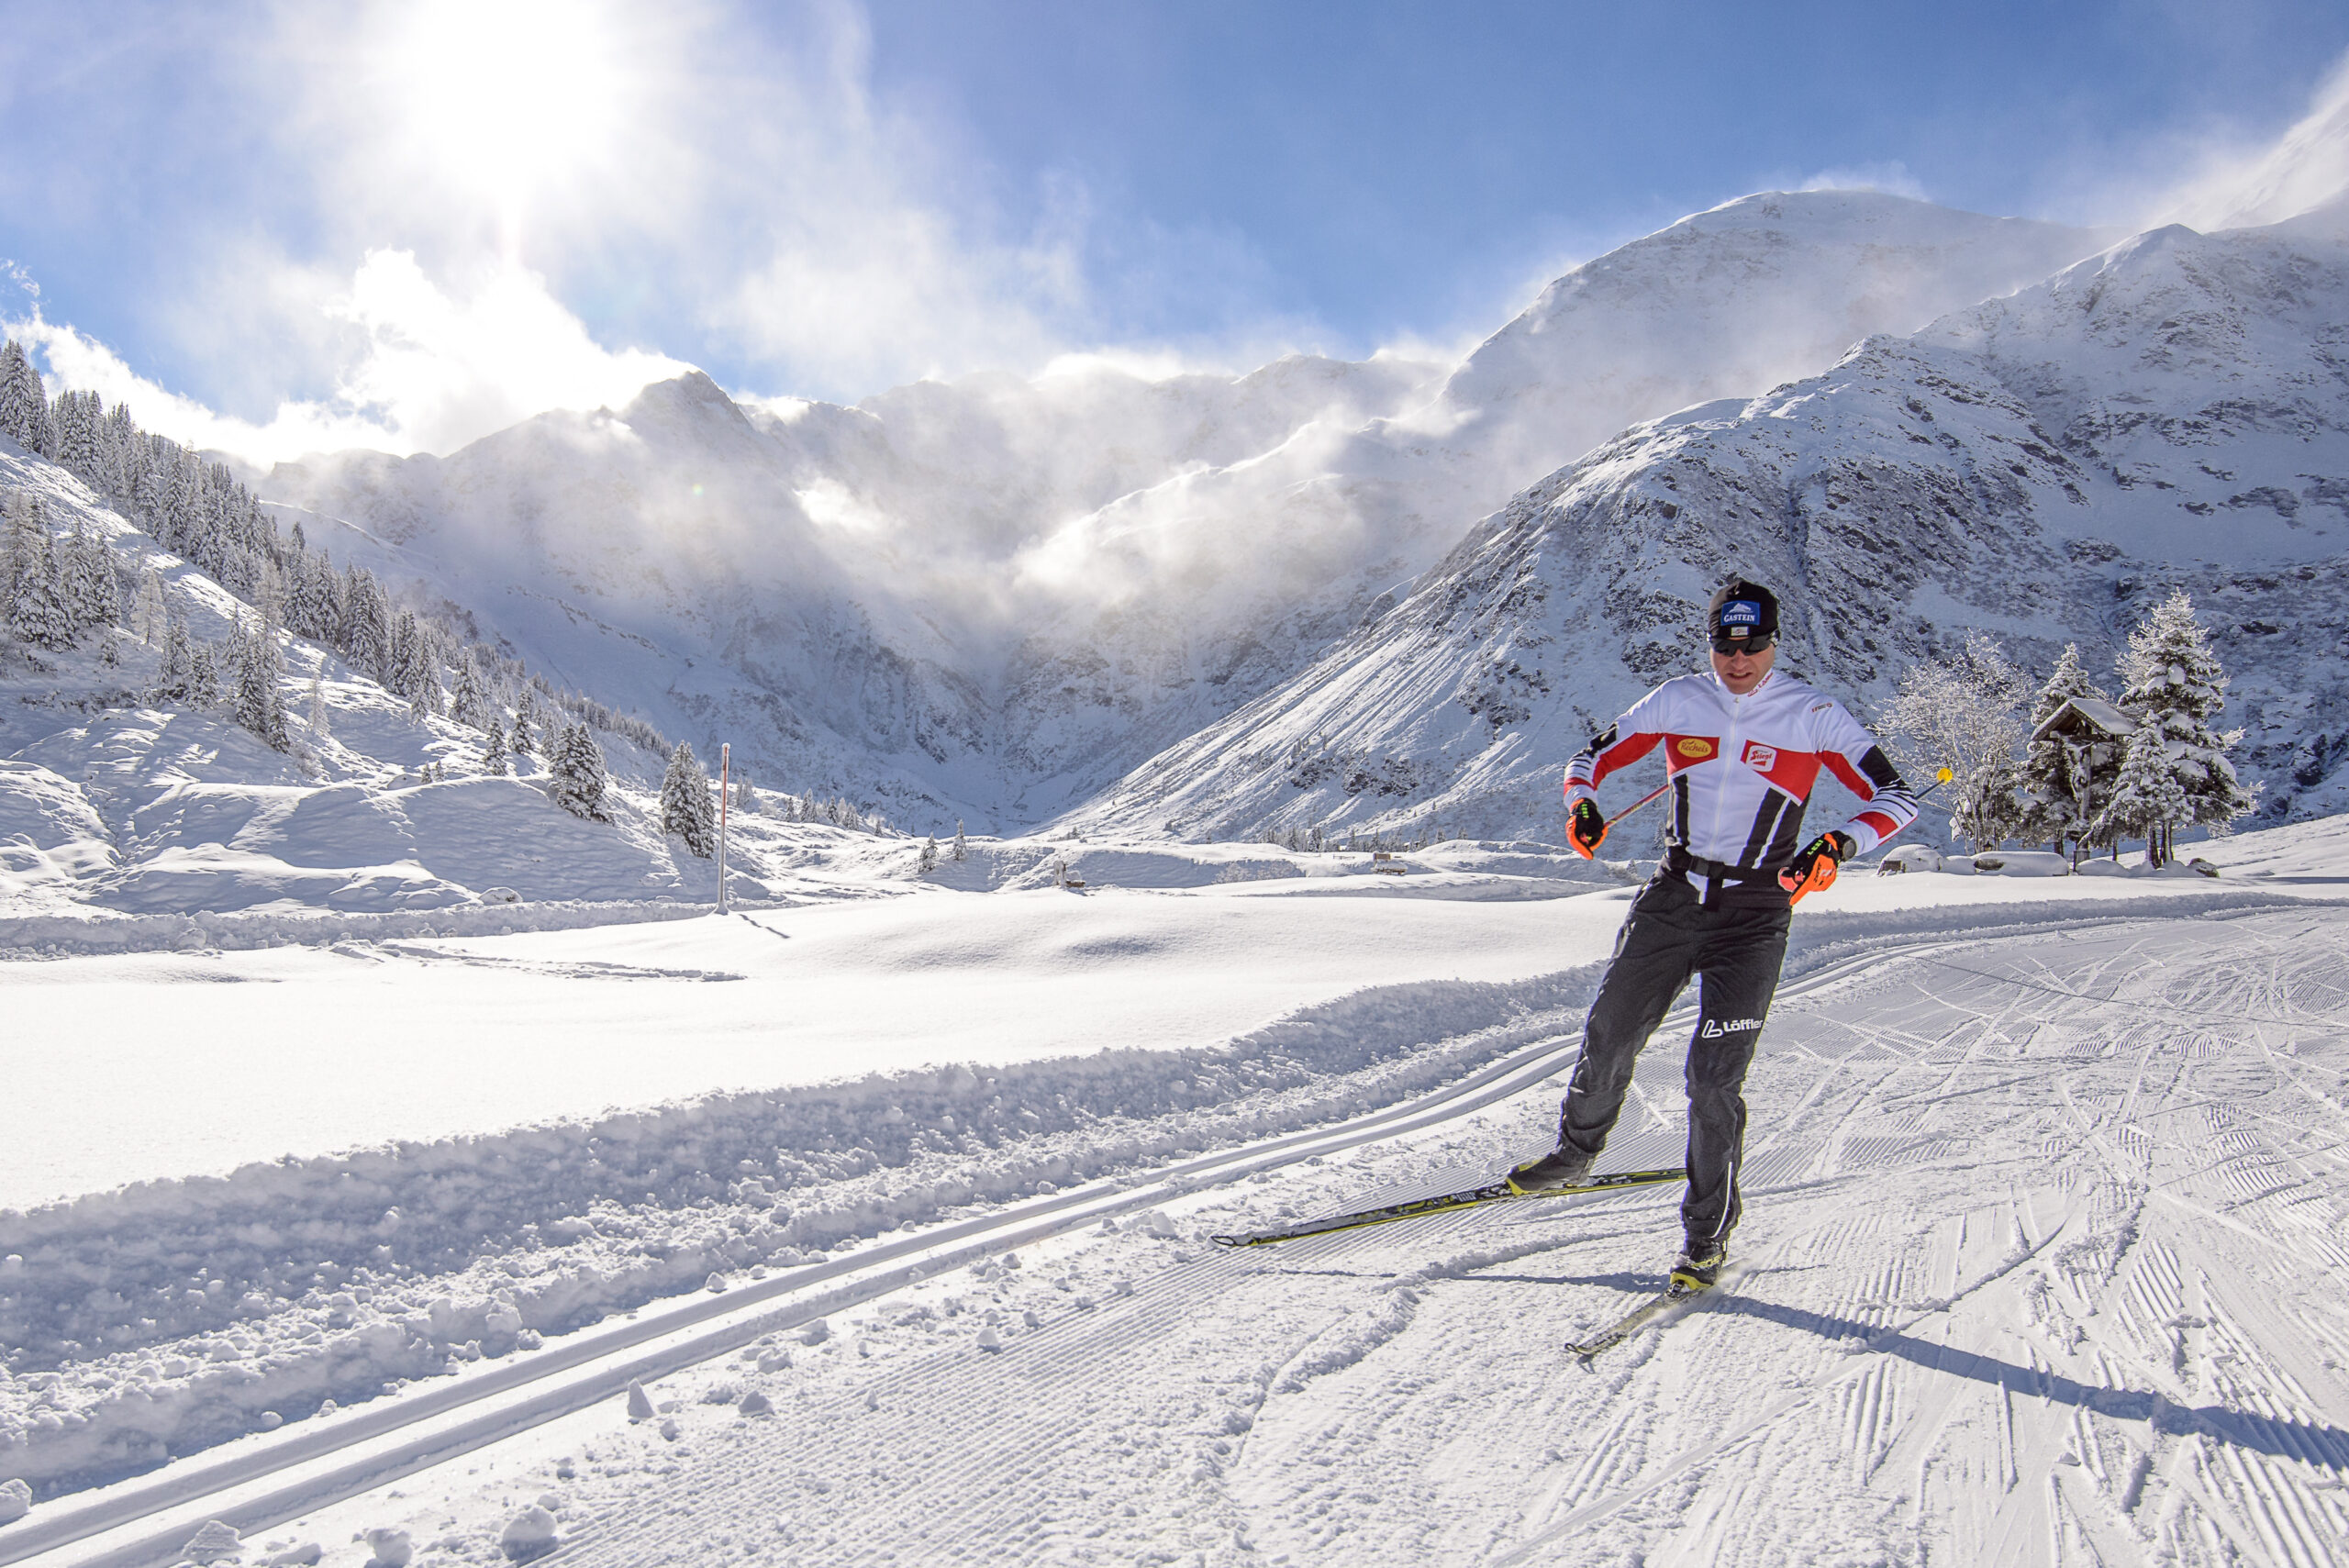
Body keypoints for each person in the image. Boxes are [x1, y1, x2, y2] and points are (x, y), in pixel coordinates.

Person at [1506, 578, 1916, 1293]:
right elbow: (1587, 760)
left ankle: (1704, 1238)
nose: (1738, 660)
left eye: (1752, 645)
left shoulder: (1812, 715)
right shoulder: (1677, 699)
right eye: (1725, 646)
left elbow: (1898, 797)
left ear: (1773, 644)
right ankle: (1575, 1152)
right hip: (1673, 895)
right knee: (1610, 1030)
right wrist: (1584, 806)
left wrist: (1838, 846)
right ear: (1711, 645)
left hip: (1756, 915)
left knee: (1711, 1080)